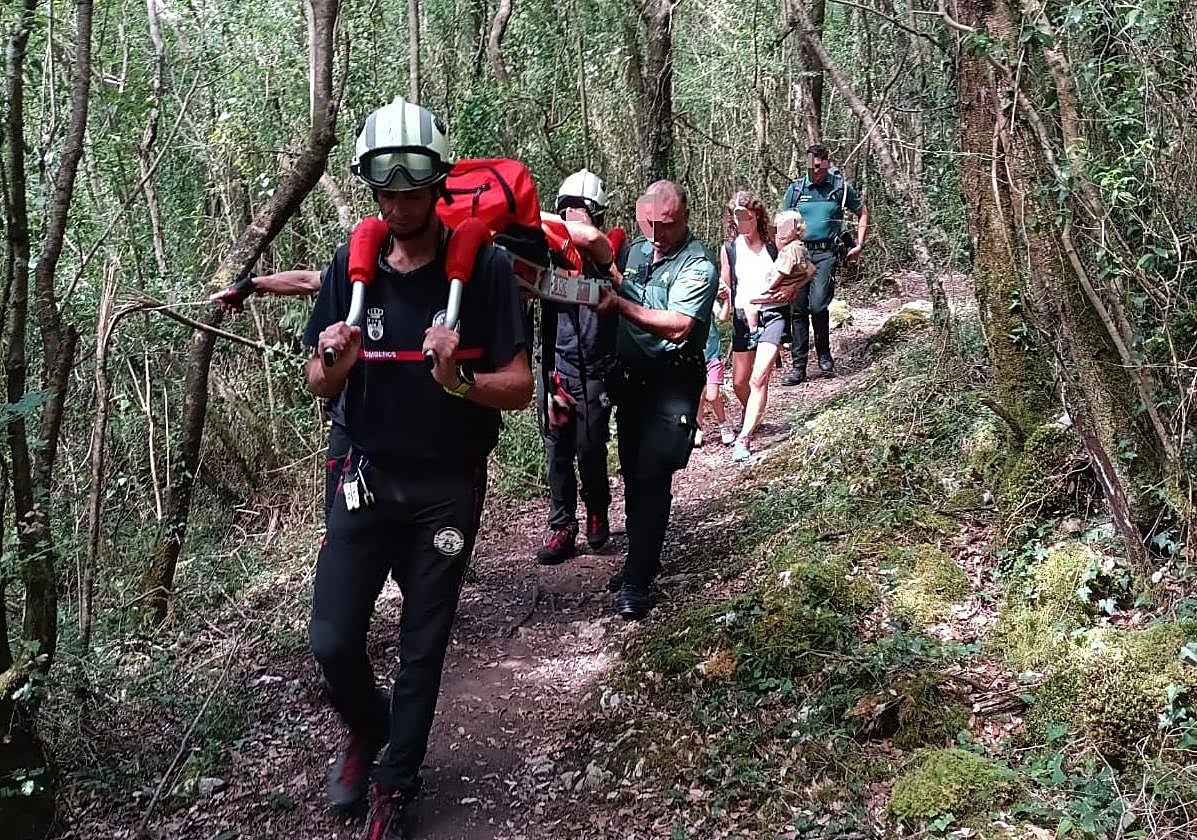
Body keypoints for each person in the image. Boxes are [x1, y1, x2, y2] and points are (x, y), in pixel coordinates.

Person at [303, 96, 532, 840]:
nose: (398, 205)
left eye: (412, 190)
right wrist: (335, 361)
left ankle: (395, 783)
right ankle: (369, 728)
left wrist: (458, 381)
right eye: (386, 191)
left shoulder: (485, 269)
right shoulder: (351, 268)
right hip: (364, 476)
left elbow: (520, 386)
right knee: (332, 639)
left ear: (437, 186)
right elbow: (318, 381)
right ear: (371, 189)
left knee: (421, 644)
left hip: (445, 486)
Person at [594, 180, 717, 620]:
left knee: (652, 474)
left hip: (671, 382)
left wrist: (618, 306)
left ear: (685, 218)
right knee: (633, 472)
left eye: (667, 224)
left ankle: (638, 579)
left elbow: (679, 325)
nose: (658, 233)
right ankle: (640, 559)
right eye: (650, 223)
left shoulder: (698, 264)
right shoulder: (636, 250)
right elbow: (625, 286)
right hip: (633, 381)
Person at [535, 169, 627, 566]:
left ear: (595, 212)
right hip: (556, 363)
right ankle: (562, 525)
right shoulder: (547, 254)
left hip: (595, 367)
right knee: (556, 446)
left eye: (579, 209)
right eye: (566, 209)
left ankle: (597, 509)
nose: (571, 216)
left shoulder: (610, 251)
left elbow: (595, 245)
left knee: (590, 447)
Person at [210, 270, 351, 519]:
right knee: (338, 516)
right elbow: (309, 281)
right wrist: (251, 285)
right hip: (348, 421)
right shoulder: (355, 263)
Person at [722, 191, 807, 463]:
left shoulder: (775, 241)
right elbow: (727, 284)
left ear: (756, 215)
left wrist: (792, 287)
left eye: (746, 216)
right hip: (742, 317)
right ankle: (753, 414)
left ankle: (744, 438)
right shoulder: (729, 248)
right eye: (737, 218)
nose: (742, 223)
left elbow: (807, 268)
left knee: (758, 378)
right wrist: (721, 293)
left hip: (773, 314)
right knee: (739, 383)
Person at [778, 143, 870, 384]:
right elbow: (783, 222)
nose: (814, 170)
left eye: (819, 165)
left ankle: (824, 357)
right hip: (798, 254)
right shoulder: (797, 189)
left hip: (826, 253)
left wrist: (859, 244)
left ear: (827, 164)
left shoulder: (839, 188)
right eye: (811, 165)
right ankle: (798, 367)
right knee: (798, 309)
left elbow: (862, 212)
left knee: (818, 305)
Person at [694, 283, 734, 448]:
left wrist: (727, 300)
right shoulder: (681, 304)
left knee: (711, 395)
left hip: (712, 356)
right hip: (693, 358)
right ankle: (697, 428)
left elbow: (723, 317)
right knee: (698, 396)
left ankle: (724, 423)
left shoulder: (708, 300)